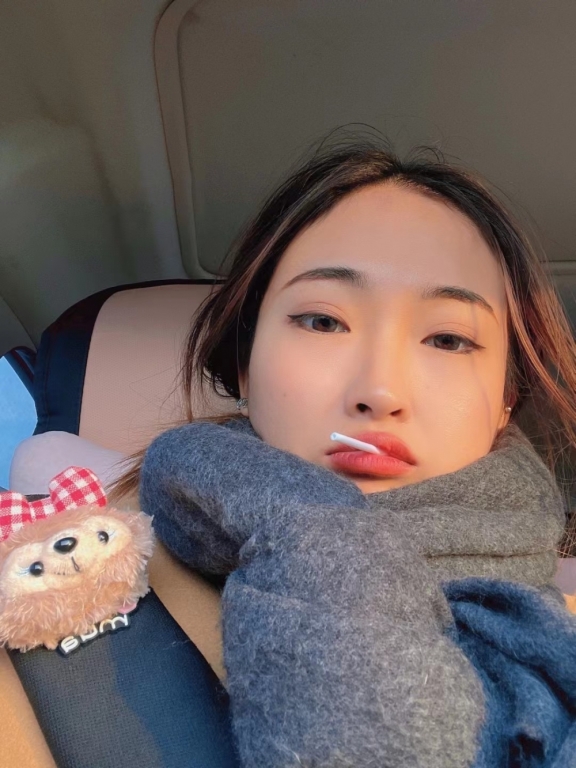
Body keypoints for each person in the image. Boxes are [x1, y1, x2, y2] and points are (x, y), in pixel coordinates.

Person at [112, 139, 576, 767]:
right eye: (323, 322)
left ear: (505, 401)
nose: (379, 392)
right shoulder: (69, 584)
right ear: (245, 366)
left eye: (447, 338)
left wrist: (314, 530)